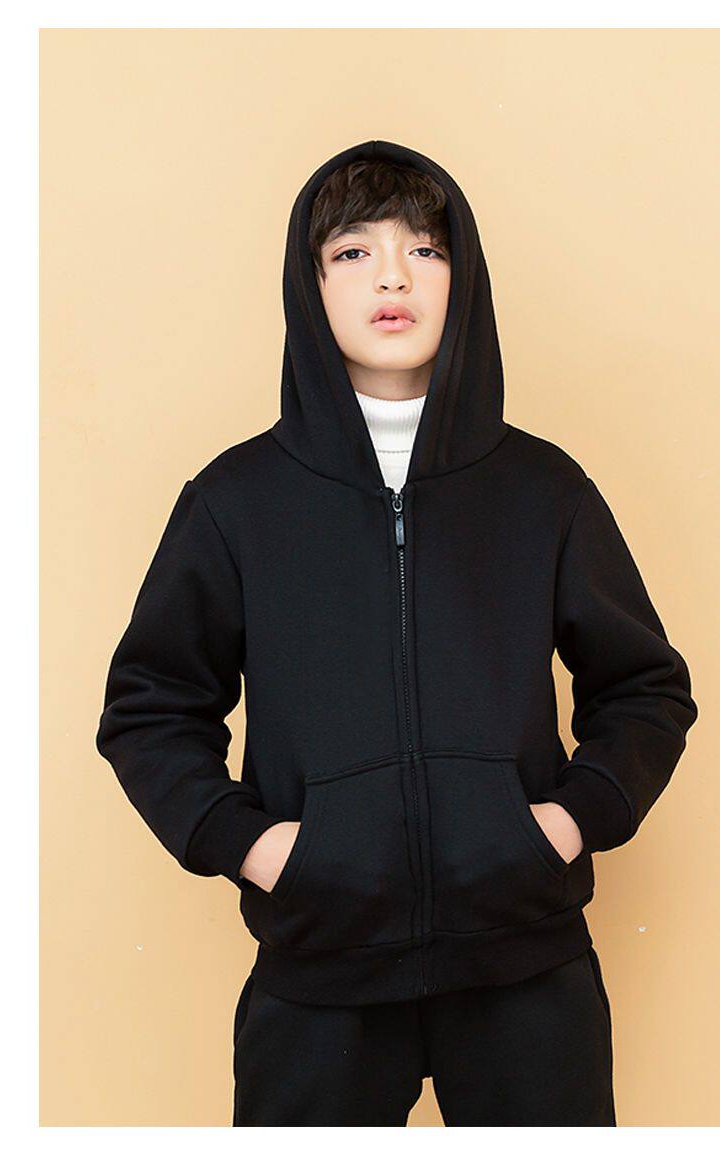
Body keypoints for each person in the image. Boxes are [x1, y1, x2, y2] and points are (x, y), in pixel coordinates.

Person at [95, 139, 698, 1126]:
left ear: (464, 279)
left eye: (424, 249)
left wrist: (561, 824)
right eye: (352, 252)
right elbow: (150, 707)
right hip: (319, 976)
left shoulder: (542, 490)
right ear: (310, 286)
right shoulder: (237, 501)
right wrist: (258, 847)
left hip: (526, 971)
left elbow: (645, 688)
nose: (391, 277)